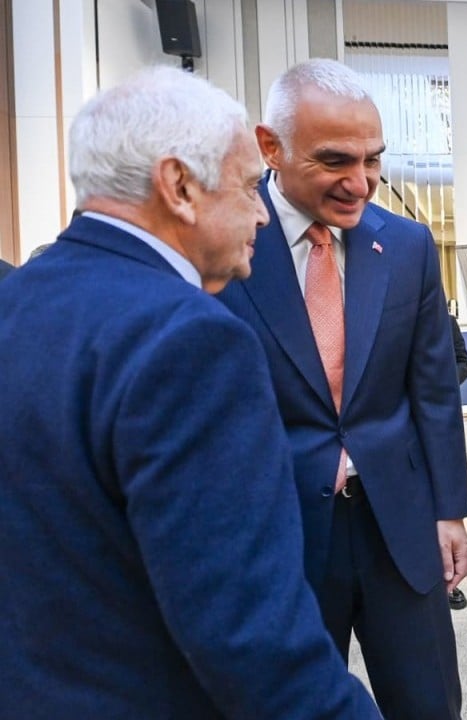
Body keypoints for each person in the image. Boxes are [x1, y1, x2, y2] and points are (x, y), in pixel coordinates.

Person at [0, 67, 379, 719]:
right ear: (179, 186)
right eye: (248, 186)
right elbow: (253, 639)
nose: (262, 211)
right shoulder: (193, 341)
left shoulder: (16, 303)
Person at [217, 58, 467, 719]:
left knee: (429, 704)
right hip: (284, 529)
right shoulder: (228, 245)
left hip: (399, 523)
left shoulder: (409, 246)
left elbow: (434, 390)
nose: (361, 183)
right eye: (336, 161)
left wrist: (449, 511)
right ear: (270, 146)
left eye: (374, 160)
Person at [447, 308, 467, 612]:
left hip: (439, 411)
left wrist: (440, 382)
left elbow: (465, 363)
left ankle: (450, 582)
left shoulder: (446, 319)